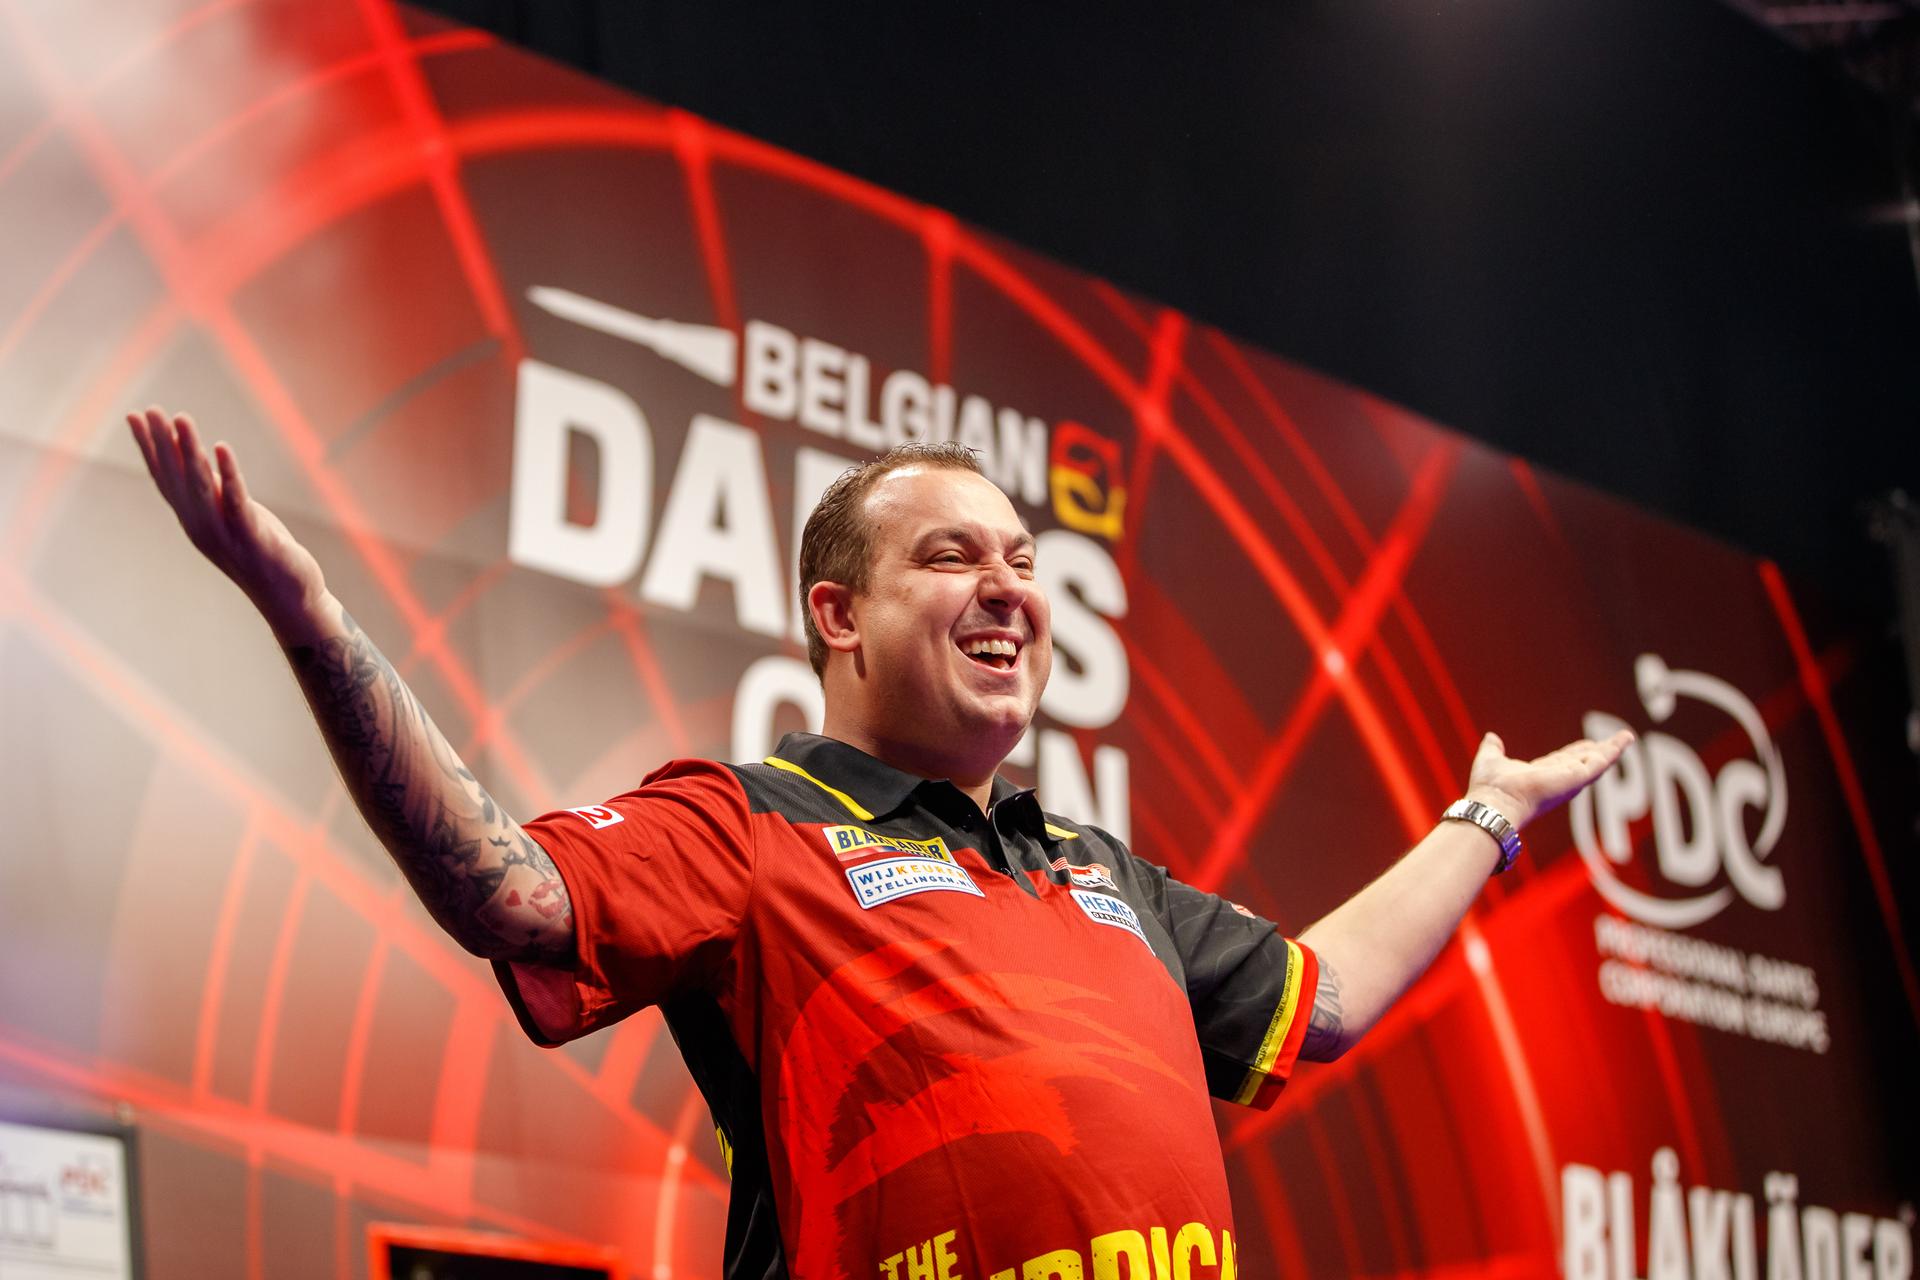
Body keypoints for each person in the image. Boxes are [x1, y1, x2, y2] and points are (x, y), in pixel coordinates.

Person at [129, 405, 1630, 1279]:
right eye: (950, 556)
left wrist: (1487, 818)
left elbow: (1326, 999)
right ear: (837, 616)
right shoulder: (751, 828)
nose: (1008, 588)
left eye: (1026, 562)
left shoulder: (1103, 874)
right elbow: (507, 889)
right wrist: (309, 623)